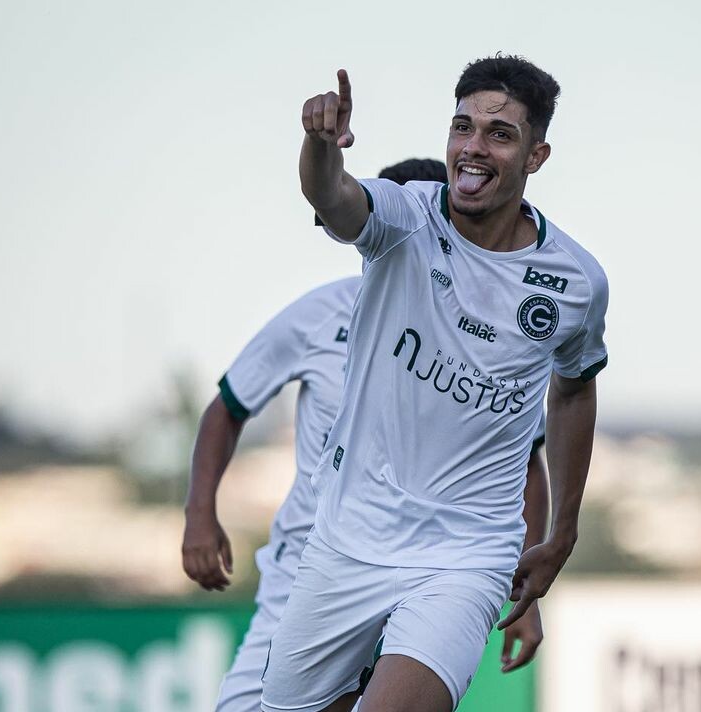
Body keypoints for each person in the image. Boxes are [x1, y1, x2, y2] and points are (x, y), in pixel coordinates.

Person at [258, 55, 608, 712]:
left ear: (536, 156)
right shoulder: (404, 216)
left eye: (499, 134)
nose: (473, 147)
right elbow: (332, 198)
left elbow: (573, 390)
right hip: (347, 540)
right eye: (462, 127)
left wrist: (560, 534)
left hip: (465, 557)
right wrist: (320, 146)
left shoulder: (575, 281)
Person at [181, 159, 549, 712]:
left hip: (431, 571)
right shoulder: (318, 314)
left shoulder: (487, 339)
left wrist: (526, 592)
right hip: (309, 566)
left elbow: (526, 467)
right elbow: (228, 407)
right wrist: (198, 515)